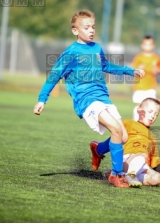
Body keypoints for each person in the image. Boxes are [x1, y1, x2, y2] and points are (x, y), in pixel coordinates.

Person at [33, 9, 145, 188]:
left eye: (93, 27)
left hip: (103, 97)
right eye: (86, 27)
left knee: (123, 137)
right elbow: (54, 75)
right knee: (116, 130)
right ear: (75, 31)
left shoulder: (97, 48)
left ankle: (98, 149)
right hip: (86, 100)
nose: (91, 30)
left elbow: (107, 66)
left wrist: (131, 71)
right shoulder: (71, 52)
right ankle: (117, 175)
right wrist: (42, 99)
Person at [93, 98, 160, 187]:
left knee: (157, 178)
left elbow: (155, 164)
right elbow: (114, 134)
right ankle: (126, 174)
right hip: (126, 161)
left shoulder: (152, 136)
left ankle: (122, 176)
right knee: (143, 155)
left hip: (142, 166)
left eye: (156, 114)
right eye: (150, 112)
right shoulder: (129, 124)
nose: (153, 116)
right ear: (139, 111)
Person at [131, 35, 160, 121]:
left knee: (151, 107)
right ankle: (136, 124)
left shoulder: (156, 58)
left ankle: (145, 127)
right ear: (142, 45)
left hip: (151, 87)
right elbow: (133, 70)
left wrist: (156, 69)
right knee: (139, 105)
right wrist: (139, 68)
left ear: (153, 46)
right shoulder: (139, 57)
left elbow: (159, 69)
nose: (148, 46)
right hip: (139, 86)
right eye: (146, 44)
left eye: (150, 44)